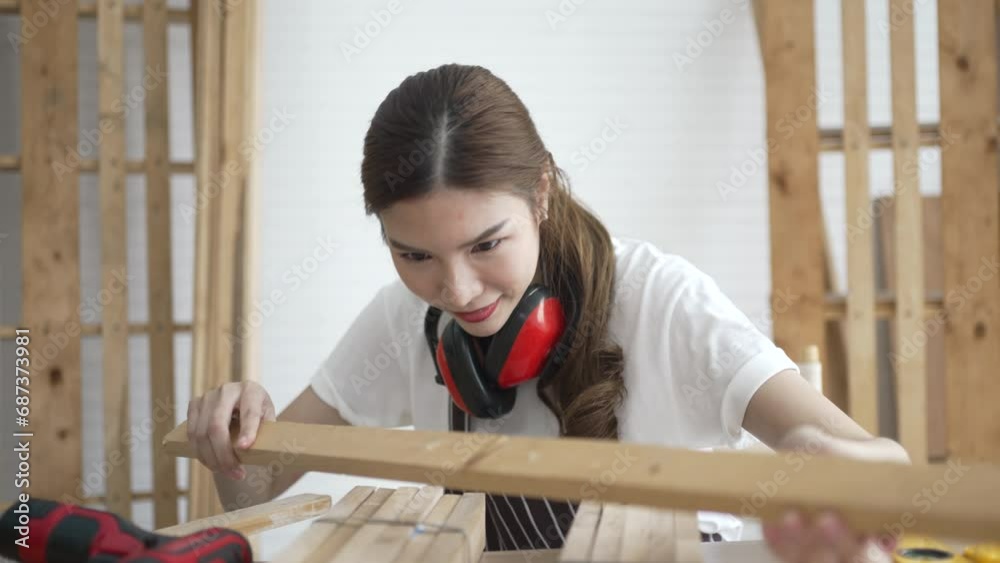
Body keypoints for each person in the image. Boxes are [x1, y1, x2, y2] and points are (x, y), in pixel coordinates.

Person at [186, 63, 911, 562]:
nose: (458, 289)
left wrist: (842, 484)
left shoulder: (659, 299)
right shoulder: (401, 321)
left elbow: (890, 471)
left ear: (539, 193)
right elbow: (252, 490)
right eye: (415, 256)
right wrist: (233, 426)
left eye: (486, 244)